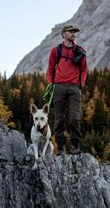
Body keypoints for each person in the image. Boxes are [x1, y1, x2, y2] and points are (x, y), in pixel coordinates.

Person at [47, 24, 88, 155]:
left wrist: (80, 84)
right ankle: (61, 148)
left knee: (74, 119)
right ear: (63, 34)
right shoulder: (56, 51)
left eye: (74, 32)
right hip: (59, 87)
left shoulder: (80, 50)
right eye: (70, 31)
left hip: (74, 88)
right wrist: (50, 84)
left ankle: (75, 146)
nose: (73, 34)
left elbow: (84, 69)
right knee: (59, 120)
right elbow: (50, 69)